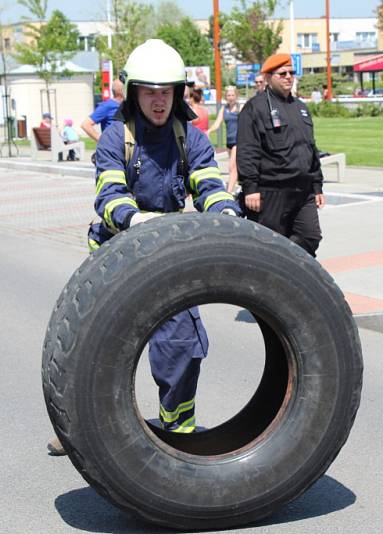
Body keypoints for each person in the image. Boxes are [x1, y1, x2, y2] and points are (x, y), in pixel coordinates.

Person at [47, 39, 239, 456]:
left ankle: (177, 429)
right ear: (134, 92)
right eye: (149, 92)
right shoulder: (116, 138)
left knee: (182, 345)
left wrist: (226, 213)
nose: (158, 101)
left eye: (165, 91)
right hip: (116, 256)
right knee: (94, 353)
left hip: (167, 258)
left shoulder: (190, 138)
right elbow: (109, 193)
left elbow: (208, 185)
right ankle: (81, 428)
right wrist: (135, 220)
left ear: (177, 93)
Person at [236, 53, 325, 257]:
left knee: (310, 235)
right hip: (271, 191)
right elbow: (247, 150)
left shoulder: (300, 108)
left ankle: (288, 269)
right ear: (268, 78)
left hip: (303, 191)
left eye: (291, 73)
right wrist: (250, 187)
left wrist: (317, 185)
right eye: (282, 73)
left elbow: (310, 148)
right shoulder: (255, 108)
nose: (288, 77)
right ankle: (272, 280)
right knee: (270, 244)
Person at [206, 85, 241, 192]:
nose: (230, 97)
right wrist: (209, 131)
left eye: (232, 95)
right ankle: (242, 184)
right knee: (236, 167)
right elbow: (217, 123)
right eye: (228, 95)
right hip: (229, 142)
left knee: (232, 167)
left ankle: (229, 192)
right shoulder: (224, 109)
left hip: (238, 141)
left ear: (236, 96)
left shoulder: (240, 108)